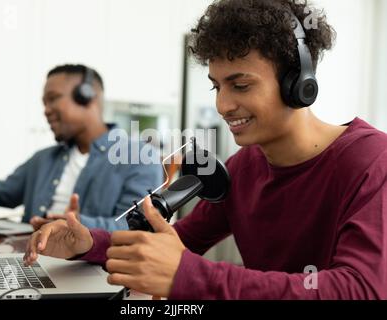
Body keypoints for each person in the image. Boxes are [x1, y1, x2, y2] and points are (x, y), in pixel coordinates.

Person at [24, 0, 387, 299]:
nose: (224, 105)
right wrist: (88, 243)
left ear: (299, 84)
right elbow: (181, 241)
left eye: (241, 85)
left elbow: (360, 288)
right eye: (217, 87)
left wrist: (191, 276)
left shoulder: (371, 160)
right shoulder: (245, 166)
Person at [0, 64, 163, 231]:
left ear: (86, 96)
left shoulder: (139, 157)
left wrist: (77, 225)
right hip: (27, 256)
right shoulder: (43, 158)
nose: (46, 110)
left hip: (89, 264)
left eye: (53, 99)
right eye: (44, 103)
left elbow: (136, 227)